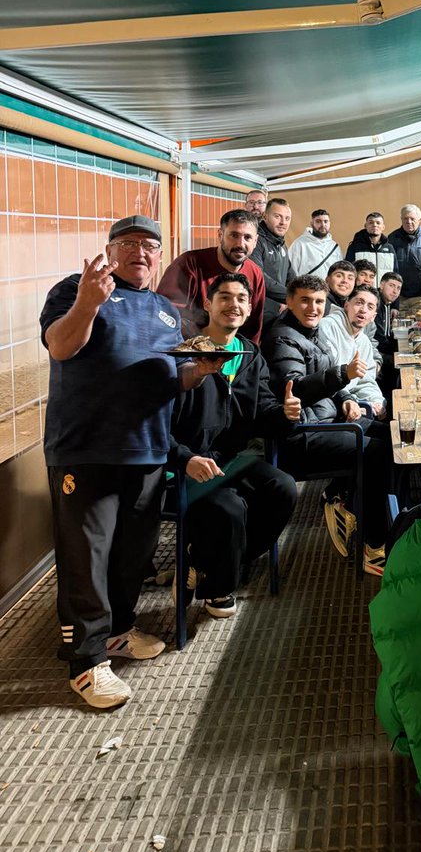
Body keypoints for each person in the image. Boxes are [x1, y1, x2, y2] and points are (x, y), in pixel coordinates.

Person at [40, 215, 206, 709]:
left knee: (134, 552)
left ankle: (117, 631)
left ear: (159, 256)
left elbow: (173, 377)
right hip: (86, 449)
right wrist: (89, 303)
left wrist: (202, 369)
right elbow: (61, 345)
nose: (141, 251)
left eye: (150, 245)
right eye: (129, 243)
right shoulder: (75, 289)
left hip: (148, 449)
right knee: (86, 556)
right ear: (110, 250)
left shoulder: (163, 310)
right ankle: (85, 661)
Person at [168, 273, 302, 618]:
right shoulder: (184, 354)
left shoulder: (250, 354)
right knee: (230, 509)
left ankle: (204, 561)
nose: (234, 305)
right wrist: (184, 458)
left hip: (234, 459)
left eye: (242, 298)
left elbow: (262, 412)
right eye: (225, 297)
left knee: (283, 488)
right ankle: (219, 587)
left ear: (250, 308)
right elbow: (156, 424)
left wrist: (284, 414)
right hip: (189, 465)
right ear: (208, 304)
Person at [262, 276, 392, 576]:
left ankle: (347, 502)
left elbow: (329, 380)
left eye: (319, 301)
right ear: (289, 302)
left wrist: (346, 398)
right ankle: (373, 545)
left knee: (391, 437)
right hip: (300, 436)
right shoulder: (282, 339)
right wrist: (343, 376)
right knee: (378, 453)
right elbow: (295, 389)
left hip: (327, 421)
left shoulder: (312, 332)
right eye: (305, 300)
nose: (313, 307)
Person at [158, 209, 266, 343]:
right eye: (234, 235)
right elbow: (165, 314)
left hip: (233, 350)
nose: (240, 244)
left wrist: (247, 354)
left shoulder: (255, 274)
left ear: (255, 241)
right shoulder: (189, 264)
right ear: (220, 235)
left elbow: (253, 328)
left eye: (247, 237)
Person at [316, 286, 387, 420]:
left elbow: (366, 380)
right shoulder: (327, 326)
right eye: (359, 303)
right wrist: (353, 400)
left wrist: (376, 400)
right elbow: (327, 376)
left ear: (373, 317)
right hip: (328, 407)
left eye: (370, 307)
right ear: (346, 305)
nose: (363, 309)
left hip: (351, 405)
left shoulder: (364, 341)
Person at [250, 198, 297, 330]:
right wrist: (290, 297)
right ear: (265, 216)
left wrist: (301, 292)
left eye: (287, 218)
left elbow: (291, 276)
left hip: (277, 315)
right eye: (277, 216)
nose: (283, 222)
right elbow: (259, 277)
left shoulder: (281, 243)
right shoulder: (256, 241)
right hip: (258, 315)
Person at [388, 204, 421, 320]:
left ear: (419, 220)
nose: (409, 222)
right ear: (401, 219)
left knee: (420, 328)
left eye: (412, 219)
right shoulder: (392, 239)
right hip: (398, 297)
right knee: (398, 329)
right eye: (405, 218)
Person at [345, 211, 397, 284]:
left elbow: (395, 272)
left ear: (383, 227)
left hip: (383, 290)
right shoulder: (355, 247)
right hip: (362, 289)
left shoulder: (390, 248)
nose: (374, 225)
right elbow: (348, 270)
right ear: (365, 226)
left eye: (378, 223)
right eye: (371, 223)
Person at [287, 208, 341, 279]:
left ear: (329, 223)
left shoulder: (335, 247)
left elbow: (340, 271)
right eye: (318, 222)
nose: (323, 225)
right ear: (312, 224)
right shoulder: (300, 244)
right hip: (306, 285)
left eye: (325, 221)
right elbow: (291, 271)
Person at [374, 271, 402, 353]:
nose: (395, 291)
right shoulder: (375, 303)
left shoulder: (387, 303)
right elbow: (379, 339)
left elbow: (387, 335)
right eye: (391, 286)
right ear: (382, 285)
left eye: (398, 288)